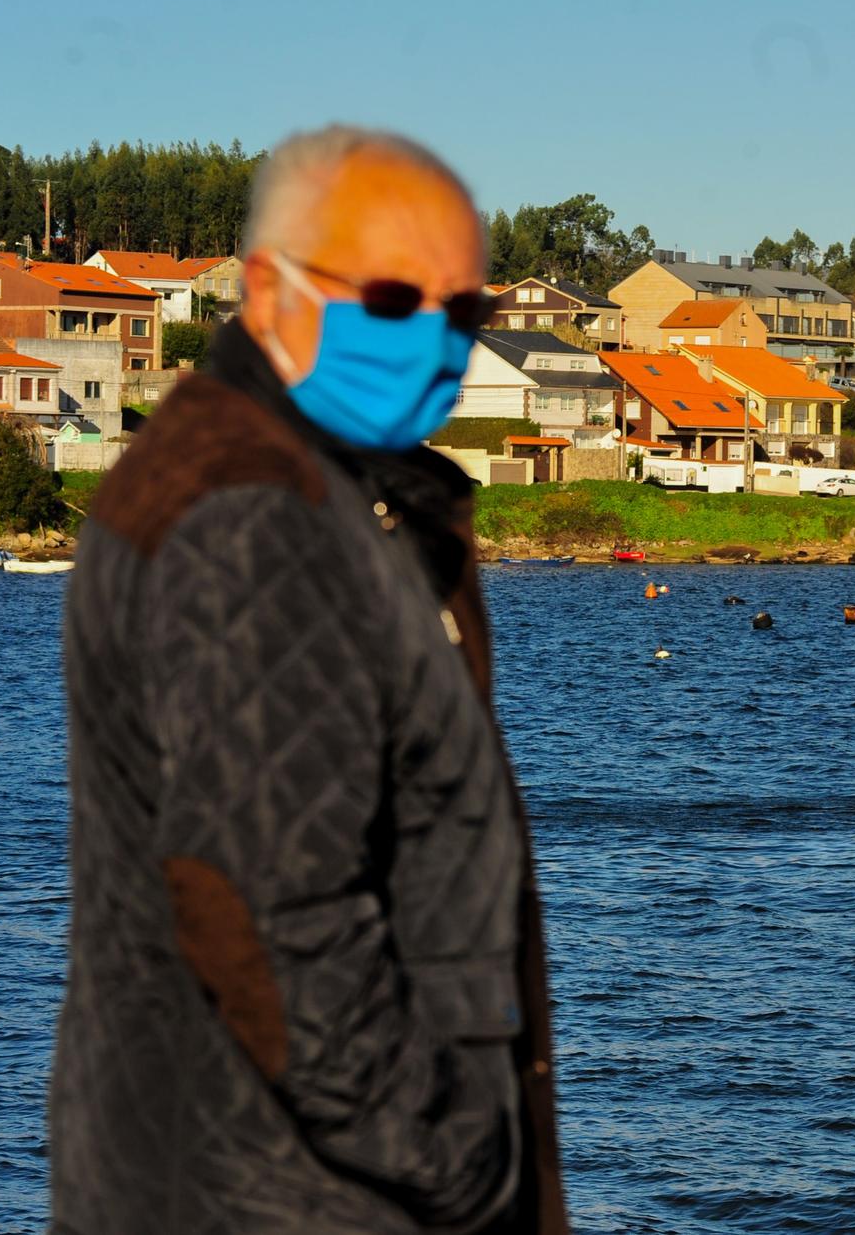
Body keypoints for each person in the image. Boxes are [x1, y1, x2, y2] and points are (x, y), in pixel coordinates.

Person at [51, 126, 567, 1234]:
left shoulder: (331, 490)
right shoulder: (251, 516)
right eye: (388, 299)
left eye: (465, 312)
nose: (432, 338)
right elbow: (265, 905)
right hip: (292, 1196)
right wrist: (456, 1160)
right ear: (267, 288)